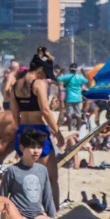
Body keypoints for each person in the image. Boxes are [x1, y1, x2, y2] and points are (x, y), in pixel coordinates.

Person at [10, 48, 65, 209]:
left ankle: (26, 207)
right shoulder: (38, 83)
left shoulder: (15, 85)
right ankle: (53, 210)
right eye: (45, 74)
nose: (46, 78)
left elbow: (14, 115)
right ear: (40, 70)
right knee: (51, 177)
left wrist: (18, 133)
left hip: (22, 130)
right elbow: (46, 111)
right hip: (38, 131)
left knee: (28, 173)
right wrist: (58, 133)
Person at [0, 128, 56, 219]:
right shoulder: (12, 171)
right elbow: (2, 197)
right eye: (32, 147)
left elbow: (47, 198)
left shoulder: (42, 170)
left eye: (39, 147)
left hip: (37, 215)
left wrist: (54, 218)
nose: (36, 151)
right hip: (19, 215)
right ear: (22, 147)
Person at [56, 63, 88, 130]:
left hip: (69, 98)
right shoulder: (79, 77)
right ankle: (78, 129)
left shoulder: (67, 76)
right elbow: (86, 81)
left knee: (69, 114)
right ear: (76, 69)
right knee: (78, 114)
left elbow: (57, 79)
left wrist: (60, 72)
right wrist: (83, 72)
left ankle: (69, 129)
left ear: (70, 69)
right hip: (78, 98)